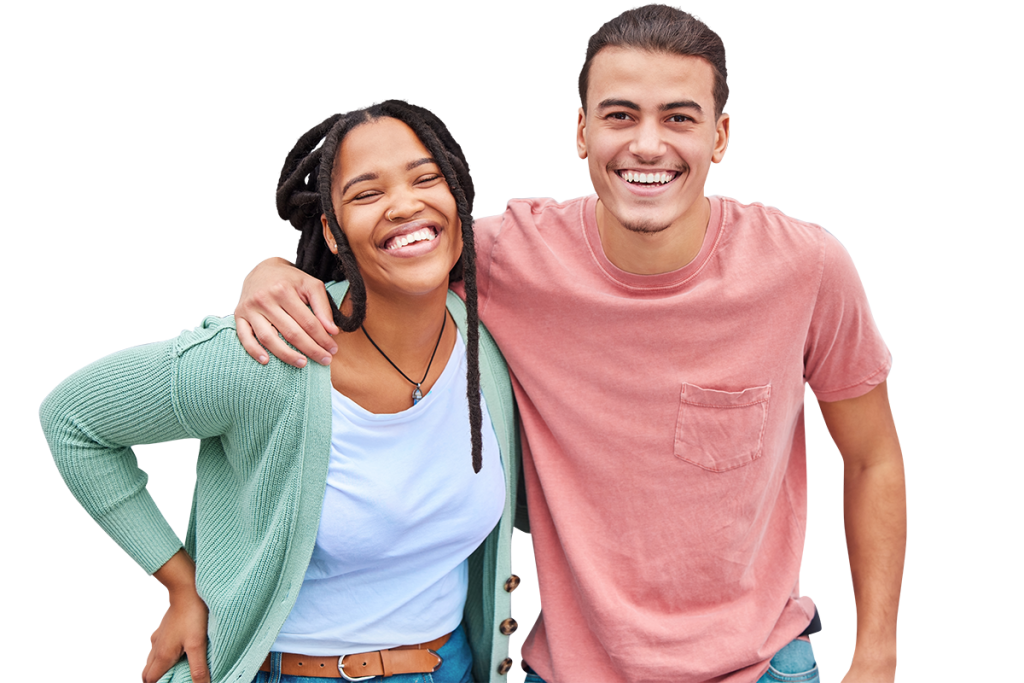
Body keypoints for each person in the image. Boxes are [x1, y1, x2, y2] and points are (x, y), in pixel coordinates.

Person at [231, 6, 907, 683]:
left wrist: (874, 659)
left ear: (719, 138)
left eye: (678, 118)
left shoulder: (807, 269)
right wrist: (279, 270)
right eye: (619, 116)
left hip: (762, 663)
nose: (647, 144)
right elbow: (392, 258)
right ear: (583, 135)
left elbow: (871, 460)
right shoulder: (505, 257)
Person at [38, 100, 523, 683]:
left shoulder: (488, 337)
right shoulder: (273, 355)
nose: (405, 204)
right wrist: (176, 580)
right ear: (332, 231)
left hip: (452, 667)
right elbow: (72, 418)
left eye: (426, 179)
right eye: (366, 194)